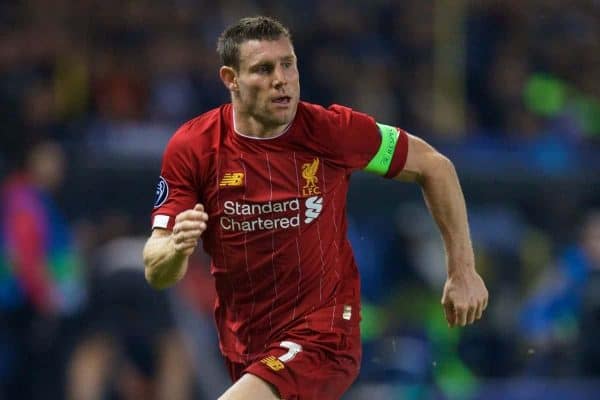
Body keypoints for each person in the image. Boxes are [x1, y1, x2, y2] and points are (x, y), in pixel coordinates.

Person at [143, 16, 488, 400]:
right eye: (264, 69)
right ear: (230, 78)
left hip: (325, 335)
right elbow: (157, 266)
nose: (281, 79)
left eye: (288, 64)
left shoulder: (330, 131)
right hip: (247, 342)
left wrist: (463, 270)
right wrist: (175, 249)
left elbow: (435, 166)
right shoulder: (194, 147)